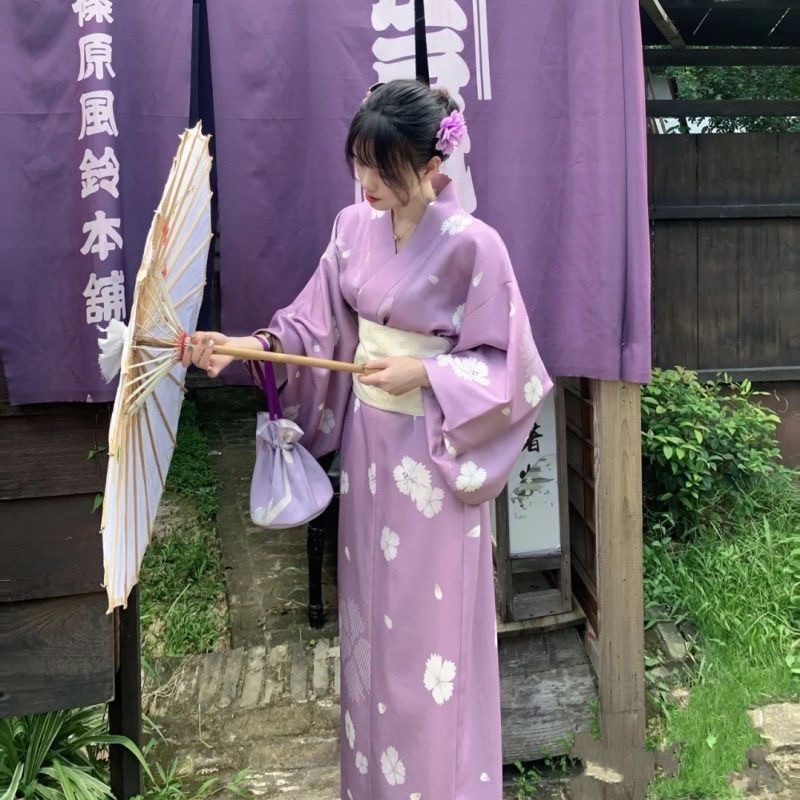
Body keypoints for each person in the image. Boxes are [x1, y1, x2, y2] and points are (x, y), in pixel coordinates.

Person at [184, 79, 551, 800]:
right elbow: (314, 328)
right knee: (370, 639)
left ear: (434, 166)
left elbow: (514, 371)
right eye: (360, 163)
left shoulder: (476, 248)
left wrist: (430, 370)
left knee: (429, 641)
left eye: (387, 169)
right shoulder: (351, 228)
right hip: (367, 455)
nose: (368, 183)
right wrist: (248, 348)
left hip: (433, 463)